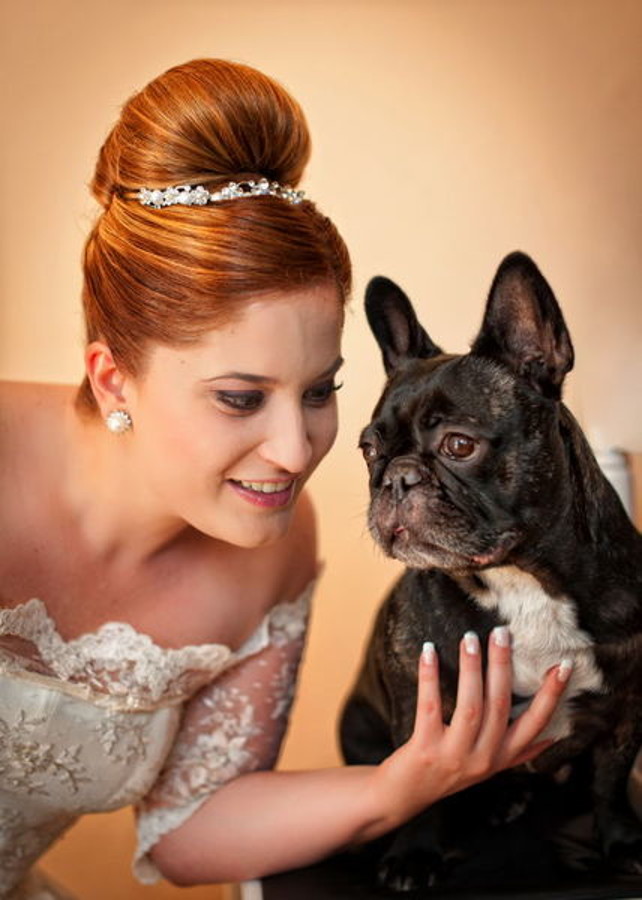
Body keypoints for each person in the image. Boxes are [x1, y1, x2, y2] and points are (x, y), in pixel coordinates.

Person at [0, 58, 571, 899]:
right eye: (239, 398)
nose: (297, 452)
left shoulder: (273, 543)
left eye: (319, 392)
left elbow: (189, 830)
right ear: (113, 378)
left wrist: (403, 784)